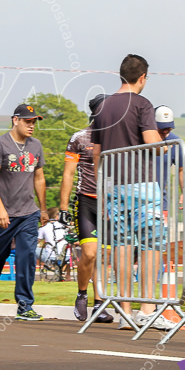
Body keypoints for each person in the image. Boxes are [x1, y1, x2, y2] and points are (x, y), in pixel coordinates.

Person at [92, 54, 176, 331]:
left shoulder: (102, 107)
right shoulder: (142, 103)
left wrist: (103, 190)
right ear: (143, 78)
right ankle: (148, 308)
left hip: (113, 185)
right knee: (152, 245)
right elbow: (152, 142)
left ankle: (125, 312)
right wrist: (165, 147)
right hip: (142, 183)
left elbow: (96, 153)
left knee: (122, 247)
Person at [0, 103, 48, 321]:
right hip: (3, 214)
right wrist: (0, 209)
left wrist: (42, 209)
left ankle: (25, 306)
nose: (31, 126)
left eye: (34, 122)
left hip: (28, 213)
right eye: (27, 121)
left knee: (27, 257)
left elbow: (39, 178)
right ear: (16, 120)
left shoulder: (36, 146)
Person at [58, 94, 113, 323]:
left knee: (105, 256)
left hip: (110, 203)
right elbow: (69, 173)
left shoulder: (115, 138)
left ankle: (100, 303)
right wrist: (63, 206)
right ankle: (82, 294)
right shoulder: (79, 138)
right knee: (90, 254)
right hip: (86, 200)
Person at [153, 105, 185, 218]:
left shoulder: (175, 142)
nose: (165, 132)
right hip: (137, 200)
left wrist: (184, 192)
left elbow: (182, 169)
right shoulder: (140, 139)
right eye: (161, 129)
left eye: (169, 129)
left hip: (161, 202)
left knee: (160, 235)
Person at [37, 207, 70, 280]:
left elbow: (36, 241)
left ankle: (32, 272)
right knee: (67, 249)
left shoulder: (44, 227)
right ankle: (66, 275)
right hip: (66, 256)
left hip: (50, 257)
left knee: (32, 249)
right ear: (57, 216)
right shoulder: (64, 226)